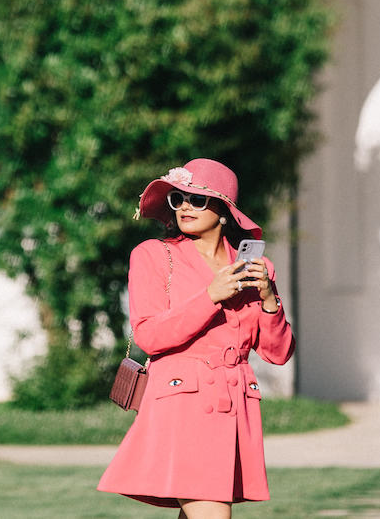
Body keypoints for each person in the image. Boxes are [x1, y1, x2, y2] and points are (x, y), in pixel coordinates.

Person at [97, 157, 295, 518]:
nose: (185, 206)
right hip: (182, 404)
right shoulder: (154, 256)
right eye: (178, 198)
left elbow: (277, 353)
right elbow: (150, 335)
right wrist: (210, 296)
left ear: (224, 211)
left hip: (236, 407)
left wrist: (269, 300)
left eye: (197, 199)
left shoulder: (256, 268)